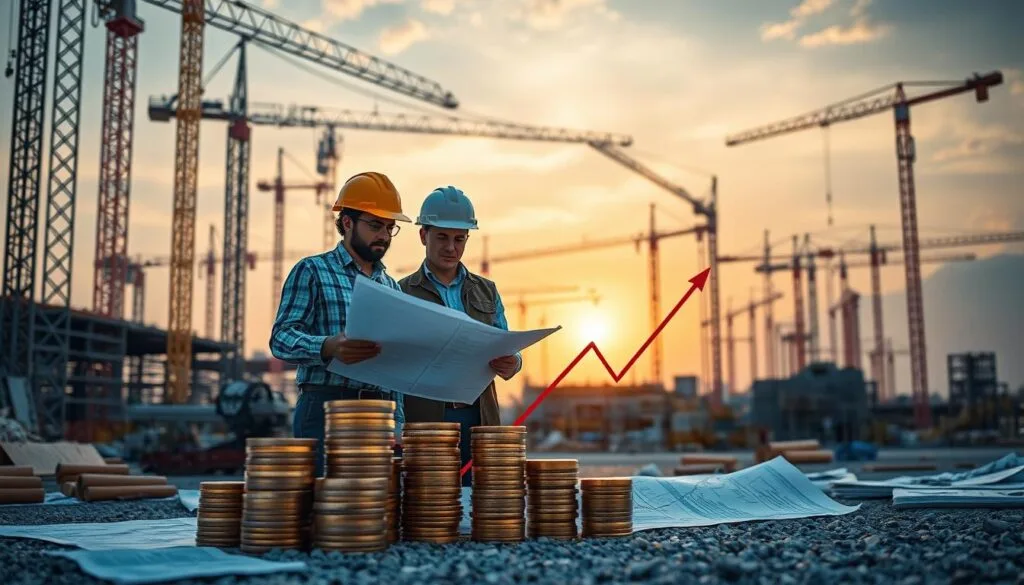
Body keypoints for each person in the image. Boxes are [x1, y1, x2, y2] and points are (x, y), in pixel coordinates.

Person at [270, 171, 411, 477]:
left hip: (378, 415)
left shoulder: (391, 287)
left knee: (370, 509)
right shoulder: (312, 271)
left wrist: (398, 421)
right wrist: (327, 347)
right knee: (325, 509)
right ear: (347, 223)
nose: (384, 236)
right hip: (324, 409)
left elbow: (397, 366)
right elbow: (280, 338)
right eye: (375, 225)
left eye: (390, 227)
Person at [397, 185, 523, 485]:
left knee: (479, 502)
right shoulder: (400, 292)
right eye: (442, 237)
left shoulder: (486, 291)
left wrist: (513, 362)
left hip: (479, 417)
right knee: (430, 502)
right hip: (427, 420)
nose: (451, 247)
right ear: (423, 235)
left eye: (459, 239)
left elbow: (506, 343)